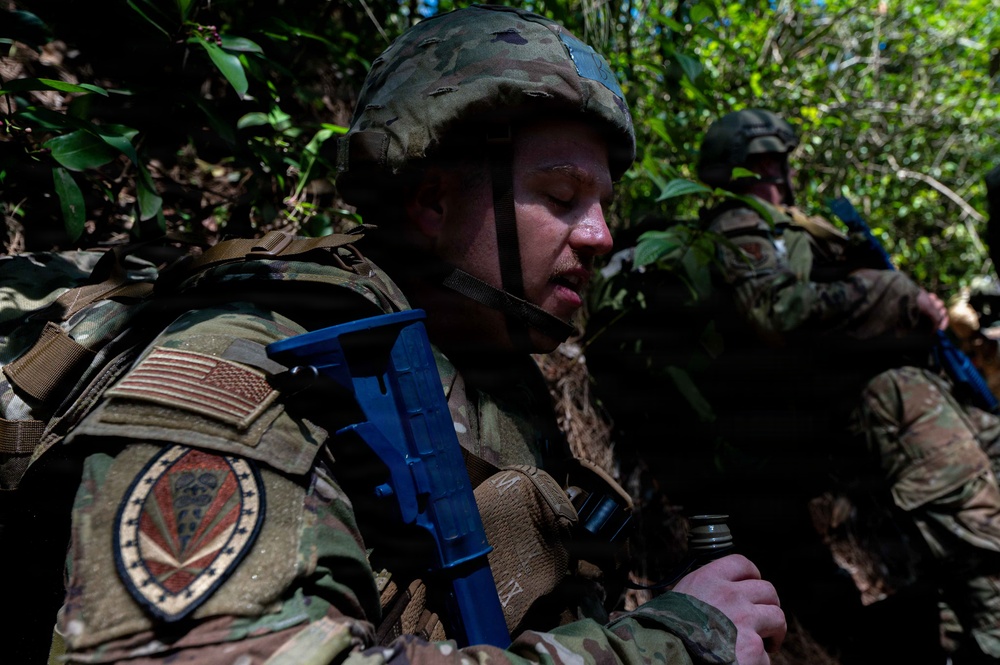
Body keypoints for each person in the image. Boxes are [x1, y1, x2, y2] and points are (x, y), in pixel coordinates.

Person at [8, 9, 786, 665]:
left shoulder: (489, 375)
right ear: (431, 199)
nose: (601, 234)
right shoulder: (265, 357)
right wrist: (669, 643)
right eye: (560, 195)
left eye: (605, 203)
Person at [694, 108, 1000, 663]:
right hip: (889, 408)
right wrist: (891, 294)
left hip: (923, 397)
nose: (782, 174)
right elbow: (777, 312)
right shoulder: (738, 225)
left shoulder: (795, 227)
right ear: (750, 164)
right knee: (985, 556)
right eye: (770, 162)